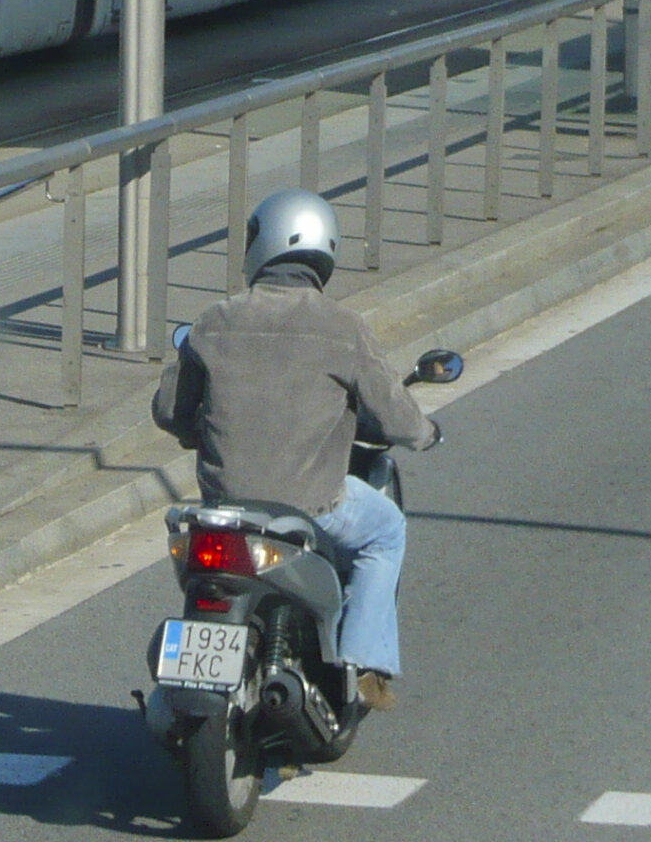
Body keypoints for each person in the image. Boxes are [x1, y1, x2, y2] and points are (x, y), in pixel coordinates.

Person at [152, 188, 438, 712]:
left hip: (223, 509)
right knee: (386, 531)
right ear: (323, 249)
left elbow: (170, 410)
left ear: (261, 246)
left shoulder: (214, 320)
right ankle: (362, 667)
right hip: (312, 507)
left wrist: (198, 431)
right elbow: (396, 416)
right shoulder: (342, 328)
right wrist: (427, 433)